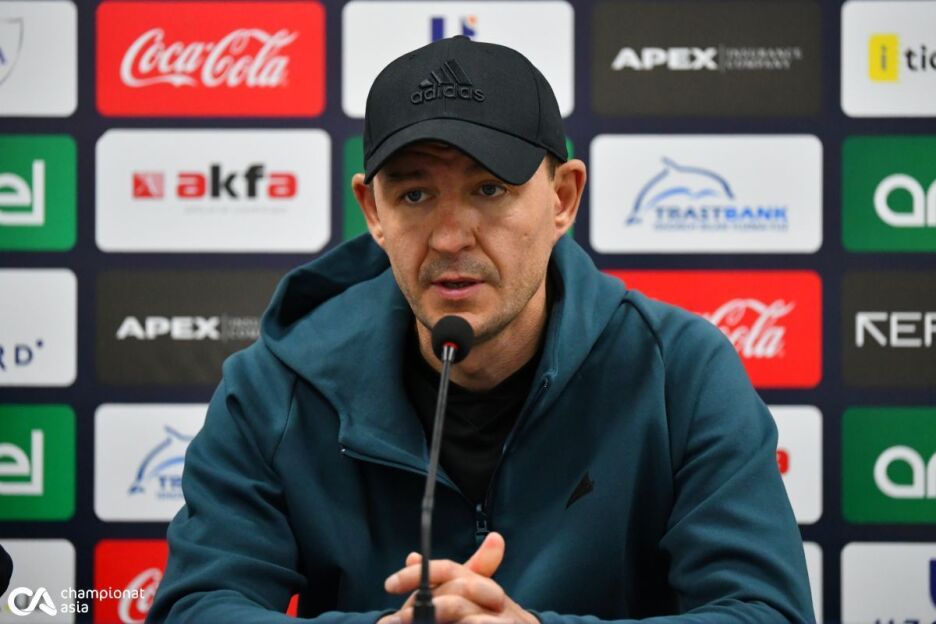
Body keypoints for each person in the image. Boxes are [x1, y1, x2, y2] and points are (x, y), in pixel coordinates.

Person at [147, 36, 813, 623]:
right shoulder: (275, 386)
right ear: (373, 213)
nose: (449, 237)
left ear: (562, 198)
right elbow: (194, 607)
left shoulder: (680, 372)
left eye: (489, 189)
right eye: (414, 195)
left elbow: (765, 611)